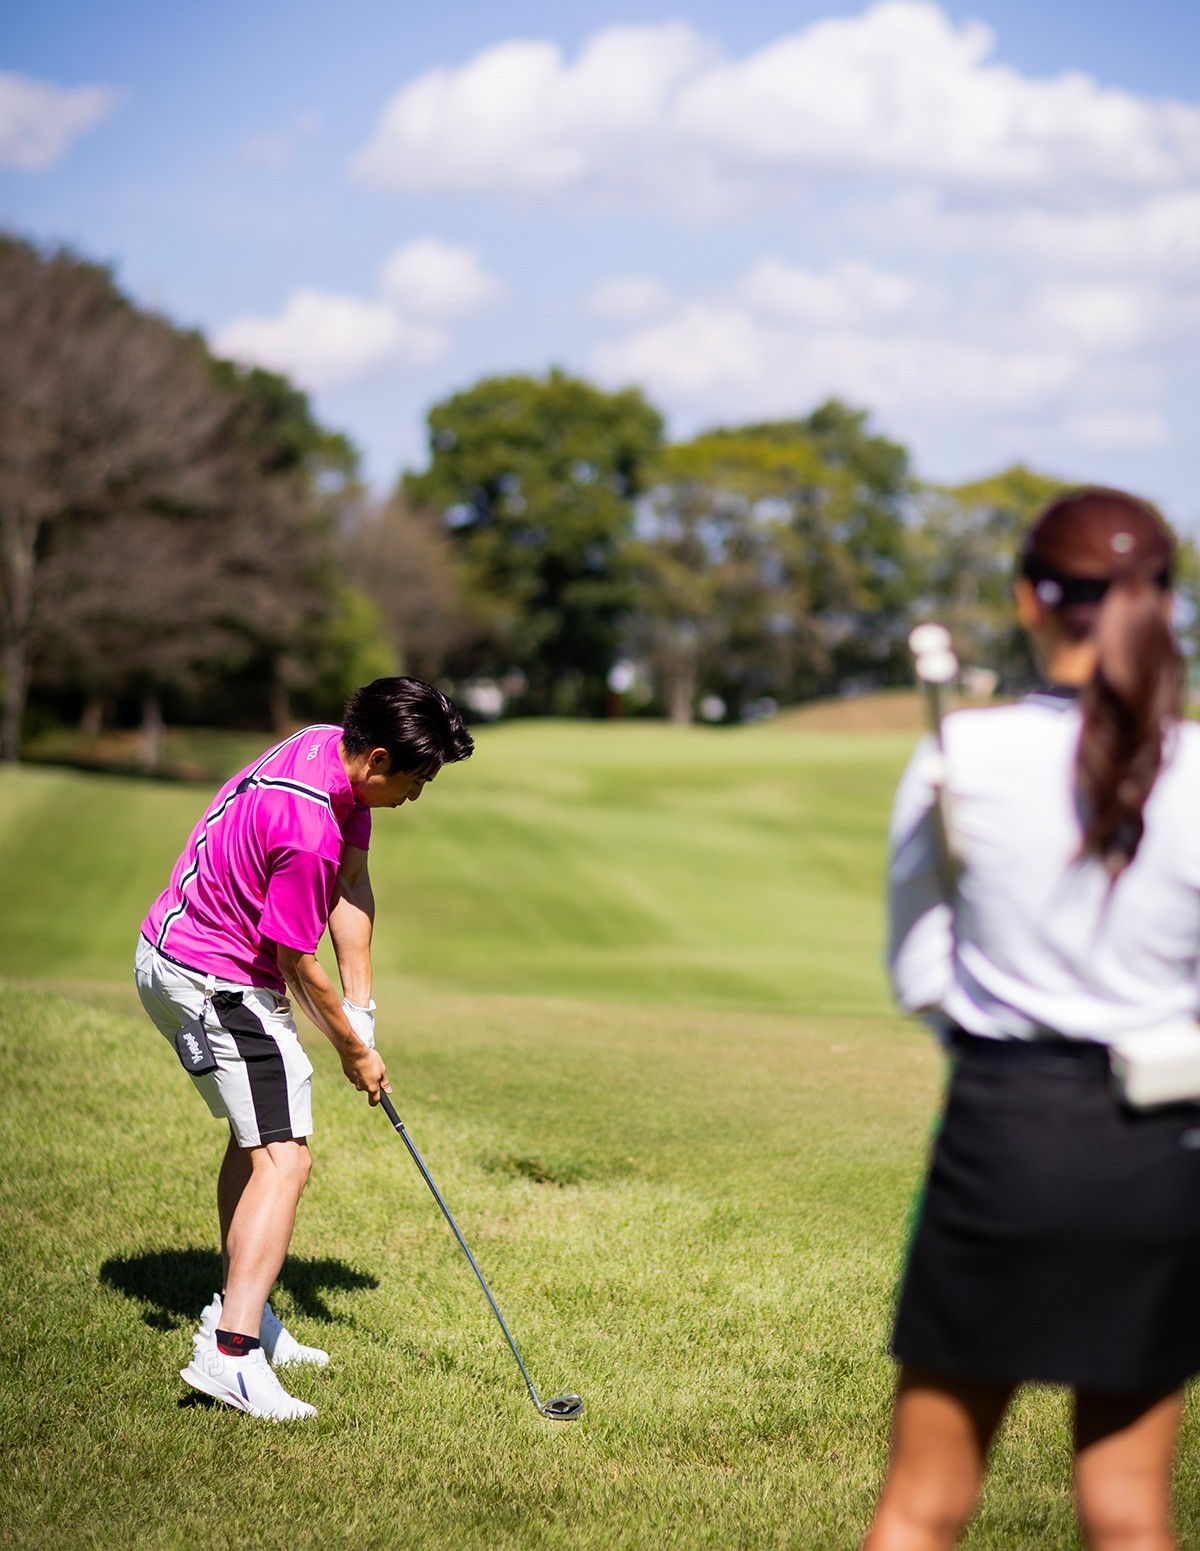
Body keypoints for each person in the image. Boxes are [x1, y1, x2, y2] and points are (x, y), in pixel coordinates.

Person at [864, 489, 1200, 1551]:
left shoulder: (962, 751)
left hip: (1004, 1127)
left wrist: (983, 1027)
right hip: (1164, 1147)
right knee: (1128, 1510)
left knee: (923, 1507)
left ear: (1028, 601)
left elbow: (918, 964)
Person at [135, 677, 474, 1420]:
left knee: (255, 1138)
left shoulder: (330, 750)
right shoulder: (308, 824)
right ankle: (228, 1356)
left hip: (179, 956)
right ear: (377, 758)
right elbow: (295, 961)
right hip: (211, 980)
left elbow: (353, 886)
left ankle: (243, 1310)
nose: (417, 797)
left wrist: (365, 1012)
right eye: (416, 781)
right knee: (286, 1157)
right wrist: (354, 1051)